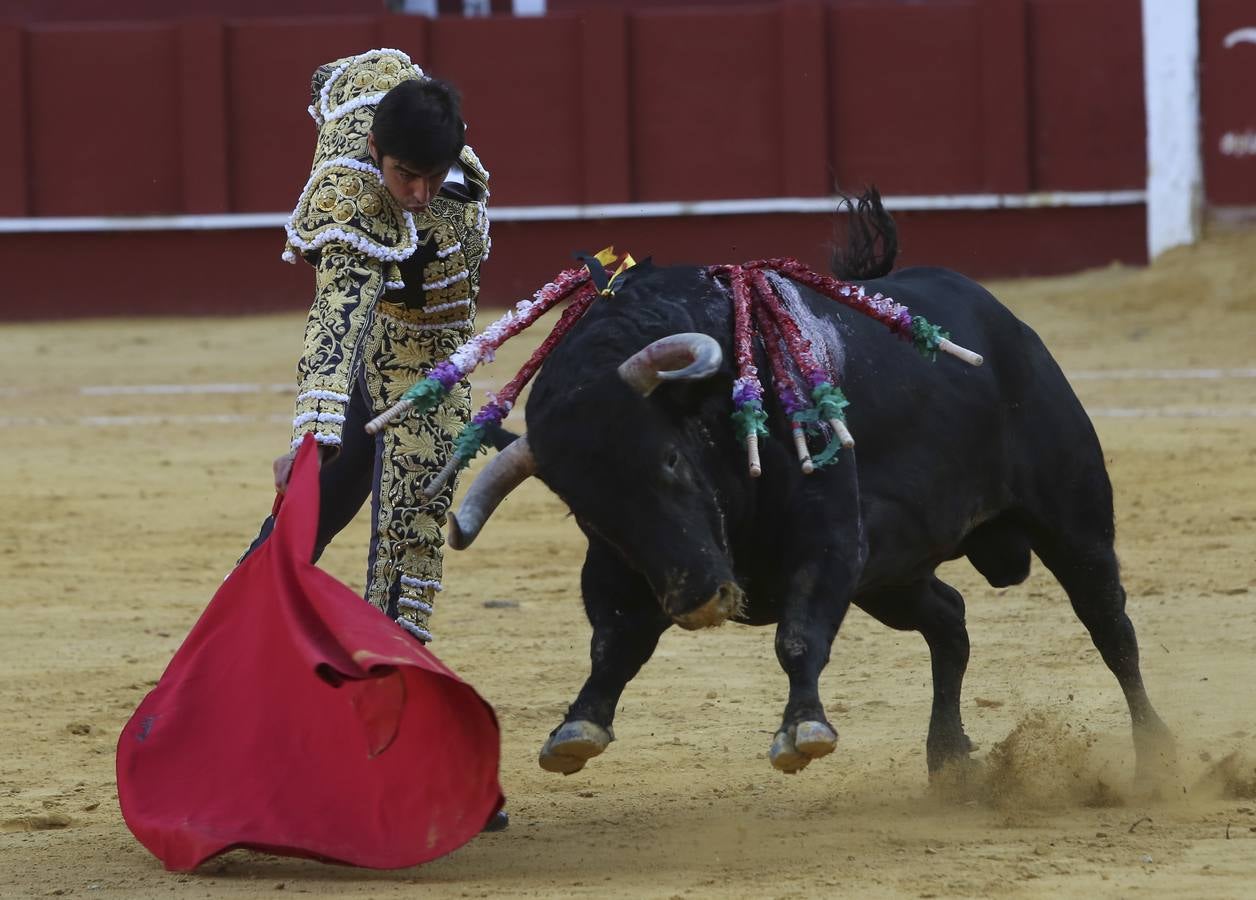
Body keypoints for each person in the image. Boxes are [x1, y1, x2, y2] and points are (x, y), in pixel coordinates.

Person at [240, 48, 507, 831]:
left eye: (430, 177)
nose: (418, 195)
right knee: (307, 522)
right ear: (371, 155)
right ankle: (233, 671)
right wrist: (313, 434)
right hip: (374, 352)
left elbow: (355, 72)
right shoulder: (355, 200)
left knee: (408, 557)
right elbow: (336, 323)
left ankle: (403, 749)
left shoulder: (425, 128)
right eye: (402, 176)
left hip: (436, 369)